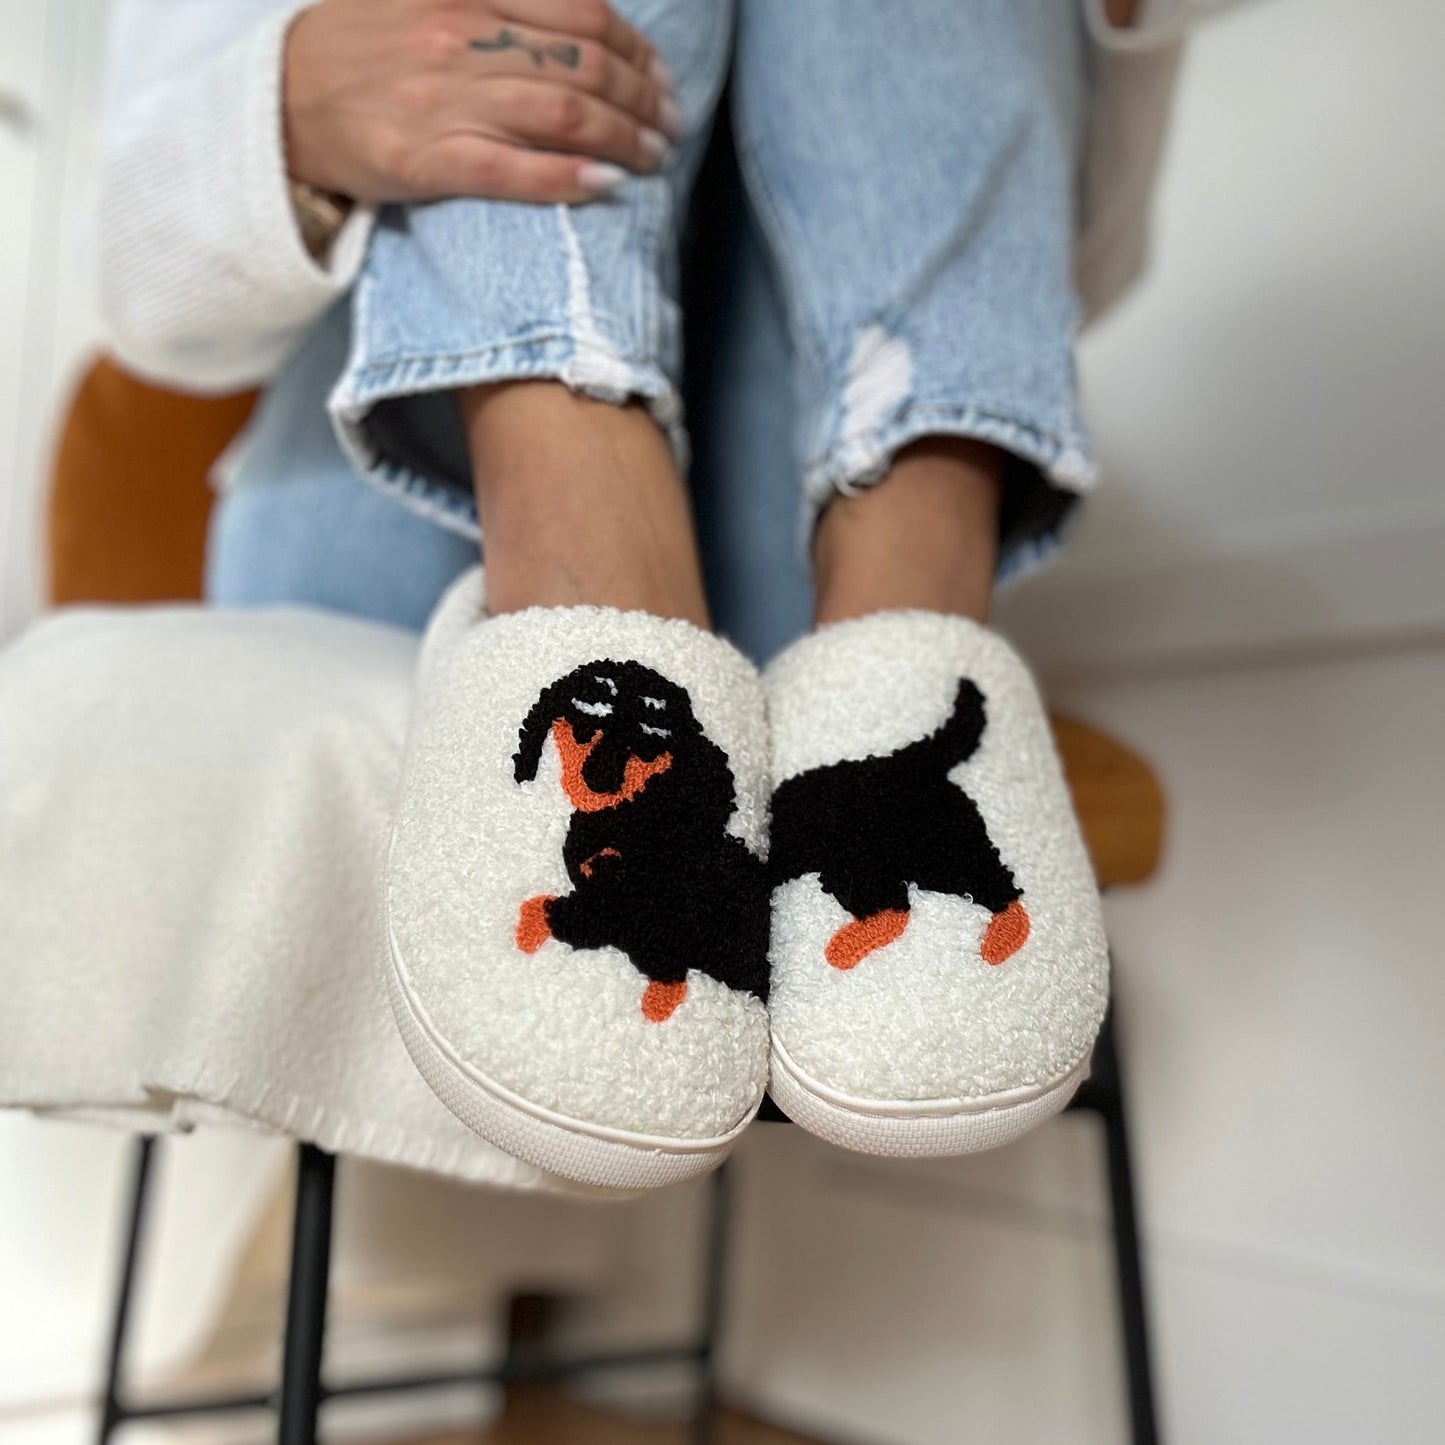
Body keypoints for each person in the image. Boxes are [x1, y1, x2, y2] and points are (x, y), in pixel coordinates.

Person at [99, 0, 1184, 1192]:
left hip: (787, 548)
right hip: (412, 518)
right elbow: (149, 313)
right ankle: (573, 508)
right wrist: (289, 111)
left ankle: (909, 576)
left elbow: (1080, 265)